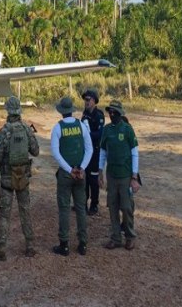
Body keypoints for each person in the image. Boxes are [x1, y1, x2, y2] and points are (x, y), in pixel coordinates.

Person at [0, 96, 40, 261]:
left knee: (5, 214)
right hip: (23, 177)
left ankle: (1, 247)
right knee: (25, 210)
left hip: (7, 178)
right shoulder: (26, 129)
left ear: (8, 111)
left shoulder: (5, 130)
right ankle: (30, 245)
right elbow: (36, 151)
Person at [50, 96, 93, 256]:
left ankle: (64, 244)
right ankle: (83, 244)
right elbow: (89, 149)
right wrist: (81, 168)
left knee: (64, 208)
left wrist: (69, 169)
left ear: (61, 112)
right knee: (81, 208)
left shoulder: (57, 128)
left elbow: (56, 152)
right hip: (80, 174)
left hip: (66, 174)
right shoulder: (81, 125)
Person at [98, 99, 140, 250]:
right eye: (110, 111)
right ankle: (115, 237)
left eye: (114, 112)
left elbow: (135, 153)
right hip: (112, 175)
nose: (111, 114)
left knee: (127, 207)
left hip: (125, 176)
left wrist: (134, 177)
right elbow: (102, 151)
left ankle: (130, 236)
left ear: (120, 113)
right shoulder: (107, 130)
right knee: (113, 206)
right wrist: (100, 171)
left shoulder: (127, 129)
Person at [81, 88, 105, 215]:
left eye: (88, 99)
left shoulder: (99, 115)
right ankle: (83, 204)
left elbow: (100, 134)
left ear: (94, 101)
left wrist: (87, 135)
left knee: (93, 180)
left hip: (95, 153)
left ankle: (94, 205)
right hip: (86, 152)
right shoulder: (85, 114)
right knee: (84, 178)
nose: (86, 102)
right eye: (85, 99)